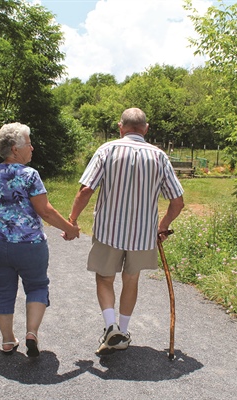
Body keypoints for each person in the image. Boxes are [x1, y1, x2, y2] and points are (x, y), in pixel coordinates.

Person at [66, 108, 184, 356]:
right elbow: (177, 202)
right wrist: (162, 226)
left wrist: (73, 220)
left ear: (121, 127)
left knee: (104, 278)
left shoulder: (107, 150)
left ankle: (111, 328)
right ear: (146, 128)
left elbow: (86, 189)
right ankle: (124, 332)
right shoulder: (159, 157)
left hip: (109, 231)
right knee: (131, 280)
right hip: (143, 235)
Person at [0, 122, 80, 357]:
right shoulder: (29, 175)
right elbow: (45, 211)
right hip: (29, 246)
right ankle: (31, 333)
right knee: (36, 286)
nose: (32, 148)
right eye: (28, 144)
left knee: (2, 290)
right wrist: (70, 229)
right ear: (15, 149)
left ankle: (7, 340)